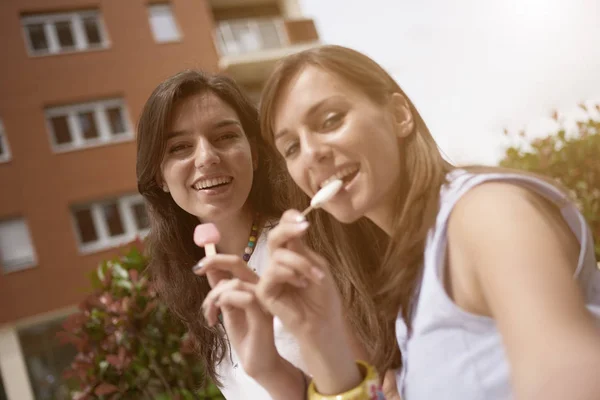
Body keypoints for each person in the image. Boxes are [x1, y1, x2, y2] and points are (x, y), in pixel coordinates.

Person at [250, 45, 600, 400]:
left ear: (400, 115)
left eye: (330, 121)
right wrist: (319, 336)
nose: (311, 153)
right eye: (291, 147)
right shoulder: (411, 278)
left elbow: (567, 377)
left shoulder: (485, 214)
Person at [135, 70, 399, 399]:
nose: (206, 157)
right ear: (159, 176)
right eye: (180, 147)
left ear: (256, 153)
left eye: (225, 136)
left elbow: (372, 389)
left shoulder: (303, 250)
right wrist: (269, 370)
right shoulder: (194, 281)